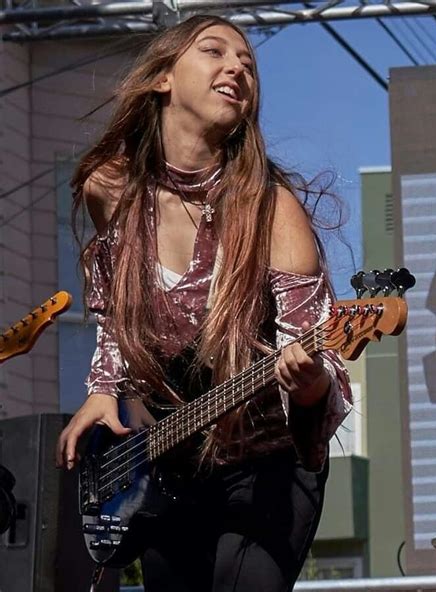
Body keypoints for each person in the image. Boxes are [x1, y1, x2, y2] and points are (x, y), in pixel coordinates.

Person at [56, 15, 352, 592]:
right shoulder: (109, 189)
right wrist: (102, 389)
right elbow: (118, 306)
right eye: (214, 51)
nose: (237, 66)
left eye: (247, 62)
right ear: (164, 78)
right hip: (171, 462)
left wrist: (311, 381)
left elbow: (321, 357)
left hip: (268, 465)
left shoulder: (271, 209)